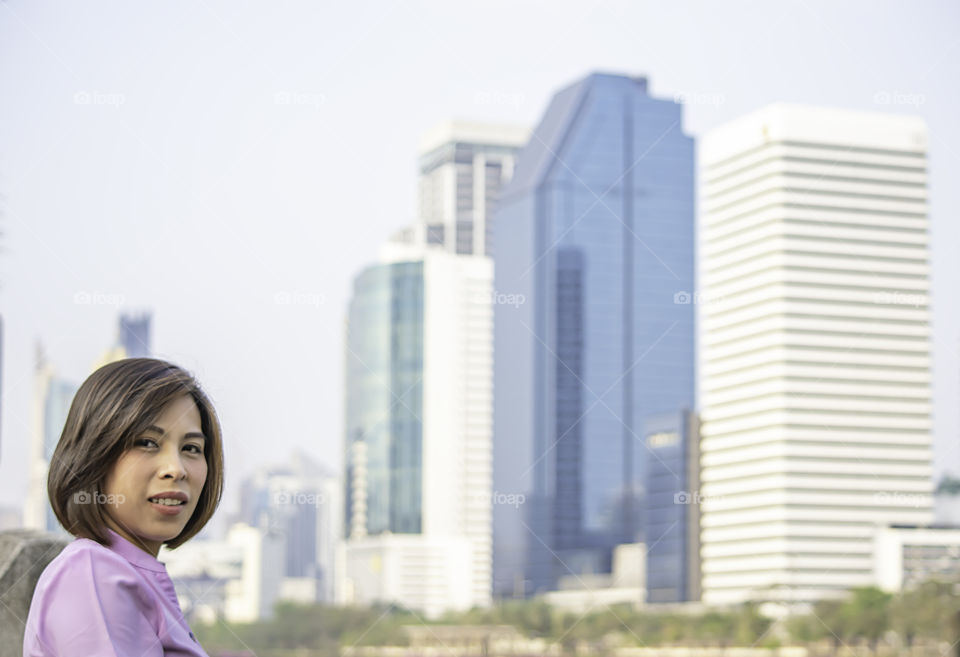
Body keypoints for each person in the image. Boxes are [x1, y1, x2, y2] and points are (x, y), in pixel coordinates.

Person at [23, 357, 224, 657]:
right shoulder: (90, 574)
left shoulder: (129, 574)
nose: (176, 469)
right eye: (146, 442)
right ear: (94, 456)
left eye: (191, 448)